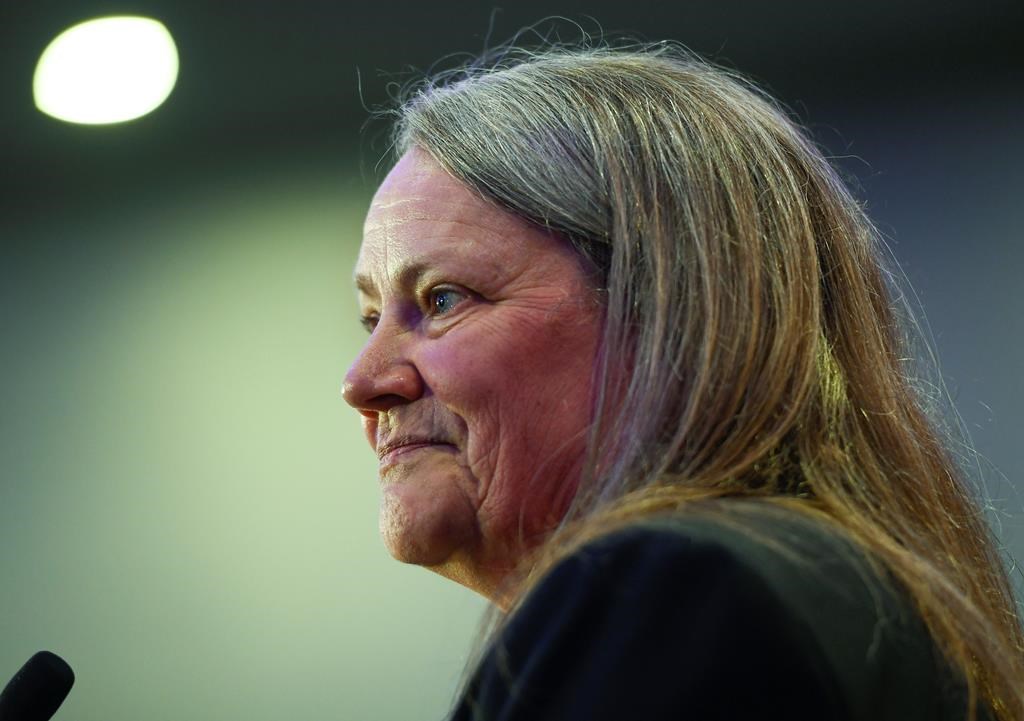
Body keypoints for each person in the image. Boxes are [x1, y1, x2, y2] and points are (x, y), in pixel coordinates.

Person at [342, 42, 1023, 720]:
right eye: (371, 317)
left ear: (671, 312)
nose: (363, 380)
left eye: (442, 300)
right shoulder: (820, 600)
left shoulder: (682, 593)